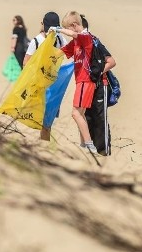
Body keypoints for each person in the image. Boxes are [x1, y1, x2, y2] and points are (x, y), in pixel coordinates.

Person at [55, 11, 114, 154]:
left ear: (74, 25)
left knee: (75, 113)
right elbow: (60, 53)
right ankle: (84, 143)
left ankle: (89, 144)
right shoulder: (76, 42)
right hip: (80, 81)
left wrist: (59, 29)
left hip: (86, 81)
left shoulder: (86, 37)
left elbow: (76, 35)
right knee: (80, 113)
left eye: (68, 28)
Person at [23, 11, 73, 141]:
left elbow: (25, 63)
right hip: (46, 85)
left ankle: (43, 145)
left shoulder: (38, 41)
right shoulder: (48, 39)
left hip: (50, 84)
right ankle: (43, 145)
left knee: (46, 122)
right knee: (45, 121)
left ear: (42, 24)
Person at [80, 14, 117, 156]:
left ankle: (104, 152)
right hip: (89, 85)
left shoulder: (94, 42)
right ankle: (93, 149)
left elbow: (112, 62)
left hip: (102, 84)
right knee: (88, 115)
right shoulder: (83, 44)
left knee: (100, 117)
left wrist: (96, 74)